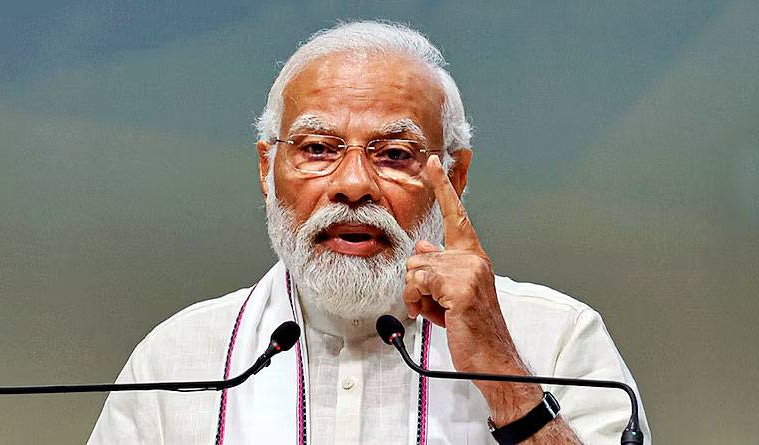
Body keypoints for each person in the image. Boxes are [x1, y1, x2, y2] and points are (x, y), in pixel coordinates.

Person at [88, 21, 651, 444]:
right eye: (317, 149)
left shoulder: (557, 338)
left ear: (455, 177)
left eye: (394, 154)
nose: (353, 184)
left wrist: (504, 374)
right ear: (266, 168)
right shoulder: (177, 362)